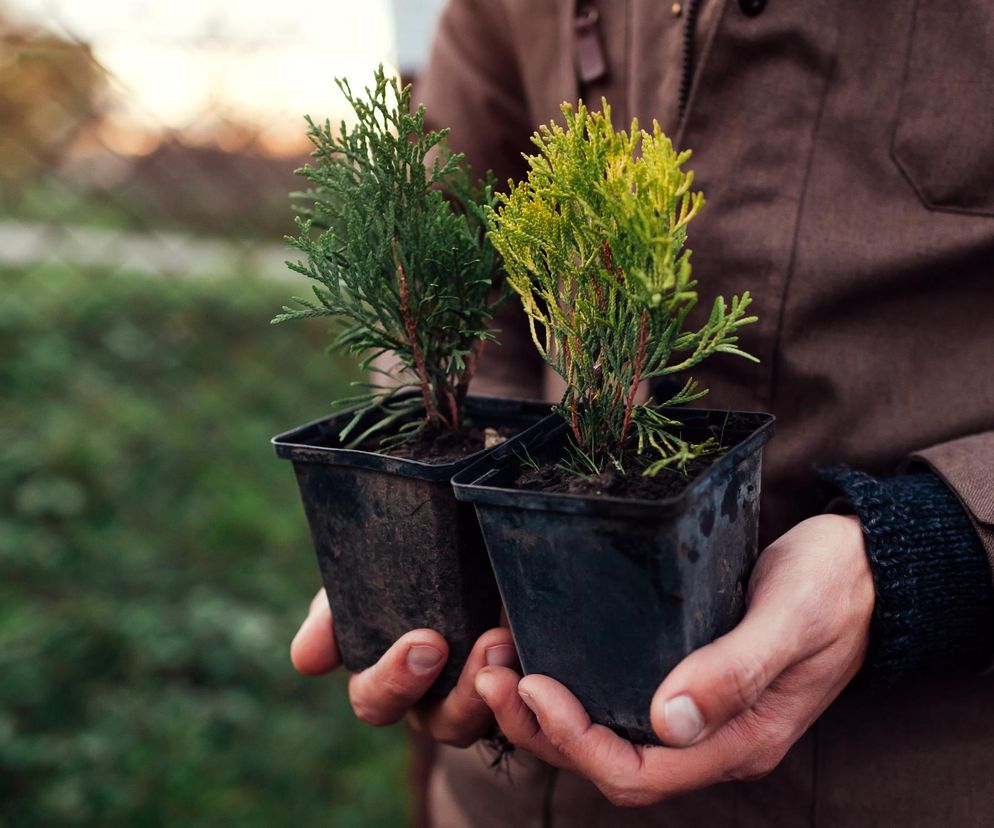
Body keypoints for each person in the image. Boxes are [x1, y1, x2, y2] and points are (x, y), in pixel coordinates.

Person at [291, 1, 994, 825]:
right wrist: (447, 547)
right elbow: (458, 263)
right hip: (521, 796)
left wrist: (926, 551)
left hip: (904, 770)